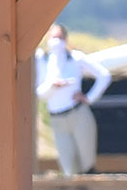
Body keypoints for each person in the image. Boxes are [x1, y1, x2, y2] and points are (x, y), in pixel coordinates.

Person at [36, 24, 110, 177]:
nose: (56, 41)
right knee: (69, 169)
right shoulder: (42, 60)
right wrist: (52, 86)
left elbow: (104, 75)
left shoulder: (76, 58)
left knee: (87, 164)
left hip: (77, 114)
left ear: (65, 39)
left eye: (60, 38)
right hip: (57, 119)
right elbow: (40, 93)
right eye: (53, 37)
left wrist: (89, 97)